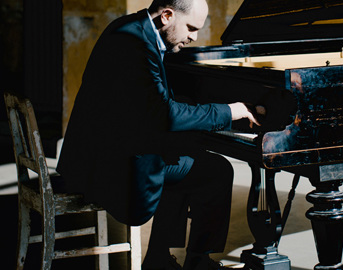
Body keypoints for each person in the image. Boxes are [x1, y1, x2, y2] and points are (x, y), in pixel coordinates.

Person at [56, 0, 259, 269]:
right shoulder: (134, 44)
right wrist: (230, 111)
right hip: (109, 166)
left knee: (180, 155)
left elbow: (149, 106)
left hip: (101, 151)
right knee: (217, 170)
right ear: (166, 16)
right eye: (190, 28)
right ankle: (198, 261)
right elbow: (166, 115)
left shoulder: (131, 28)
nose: (194, 37)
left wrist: (198, 115)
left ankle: (159, 257)